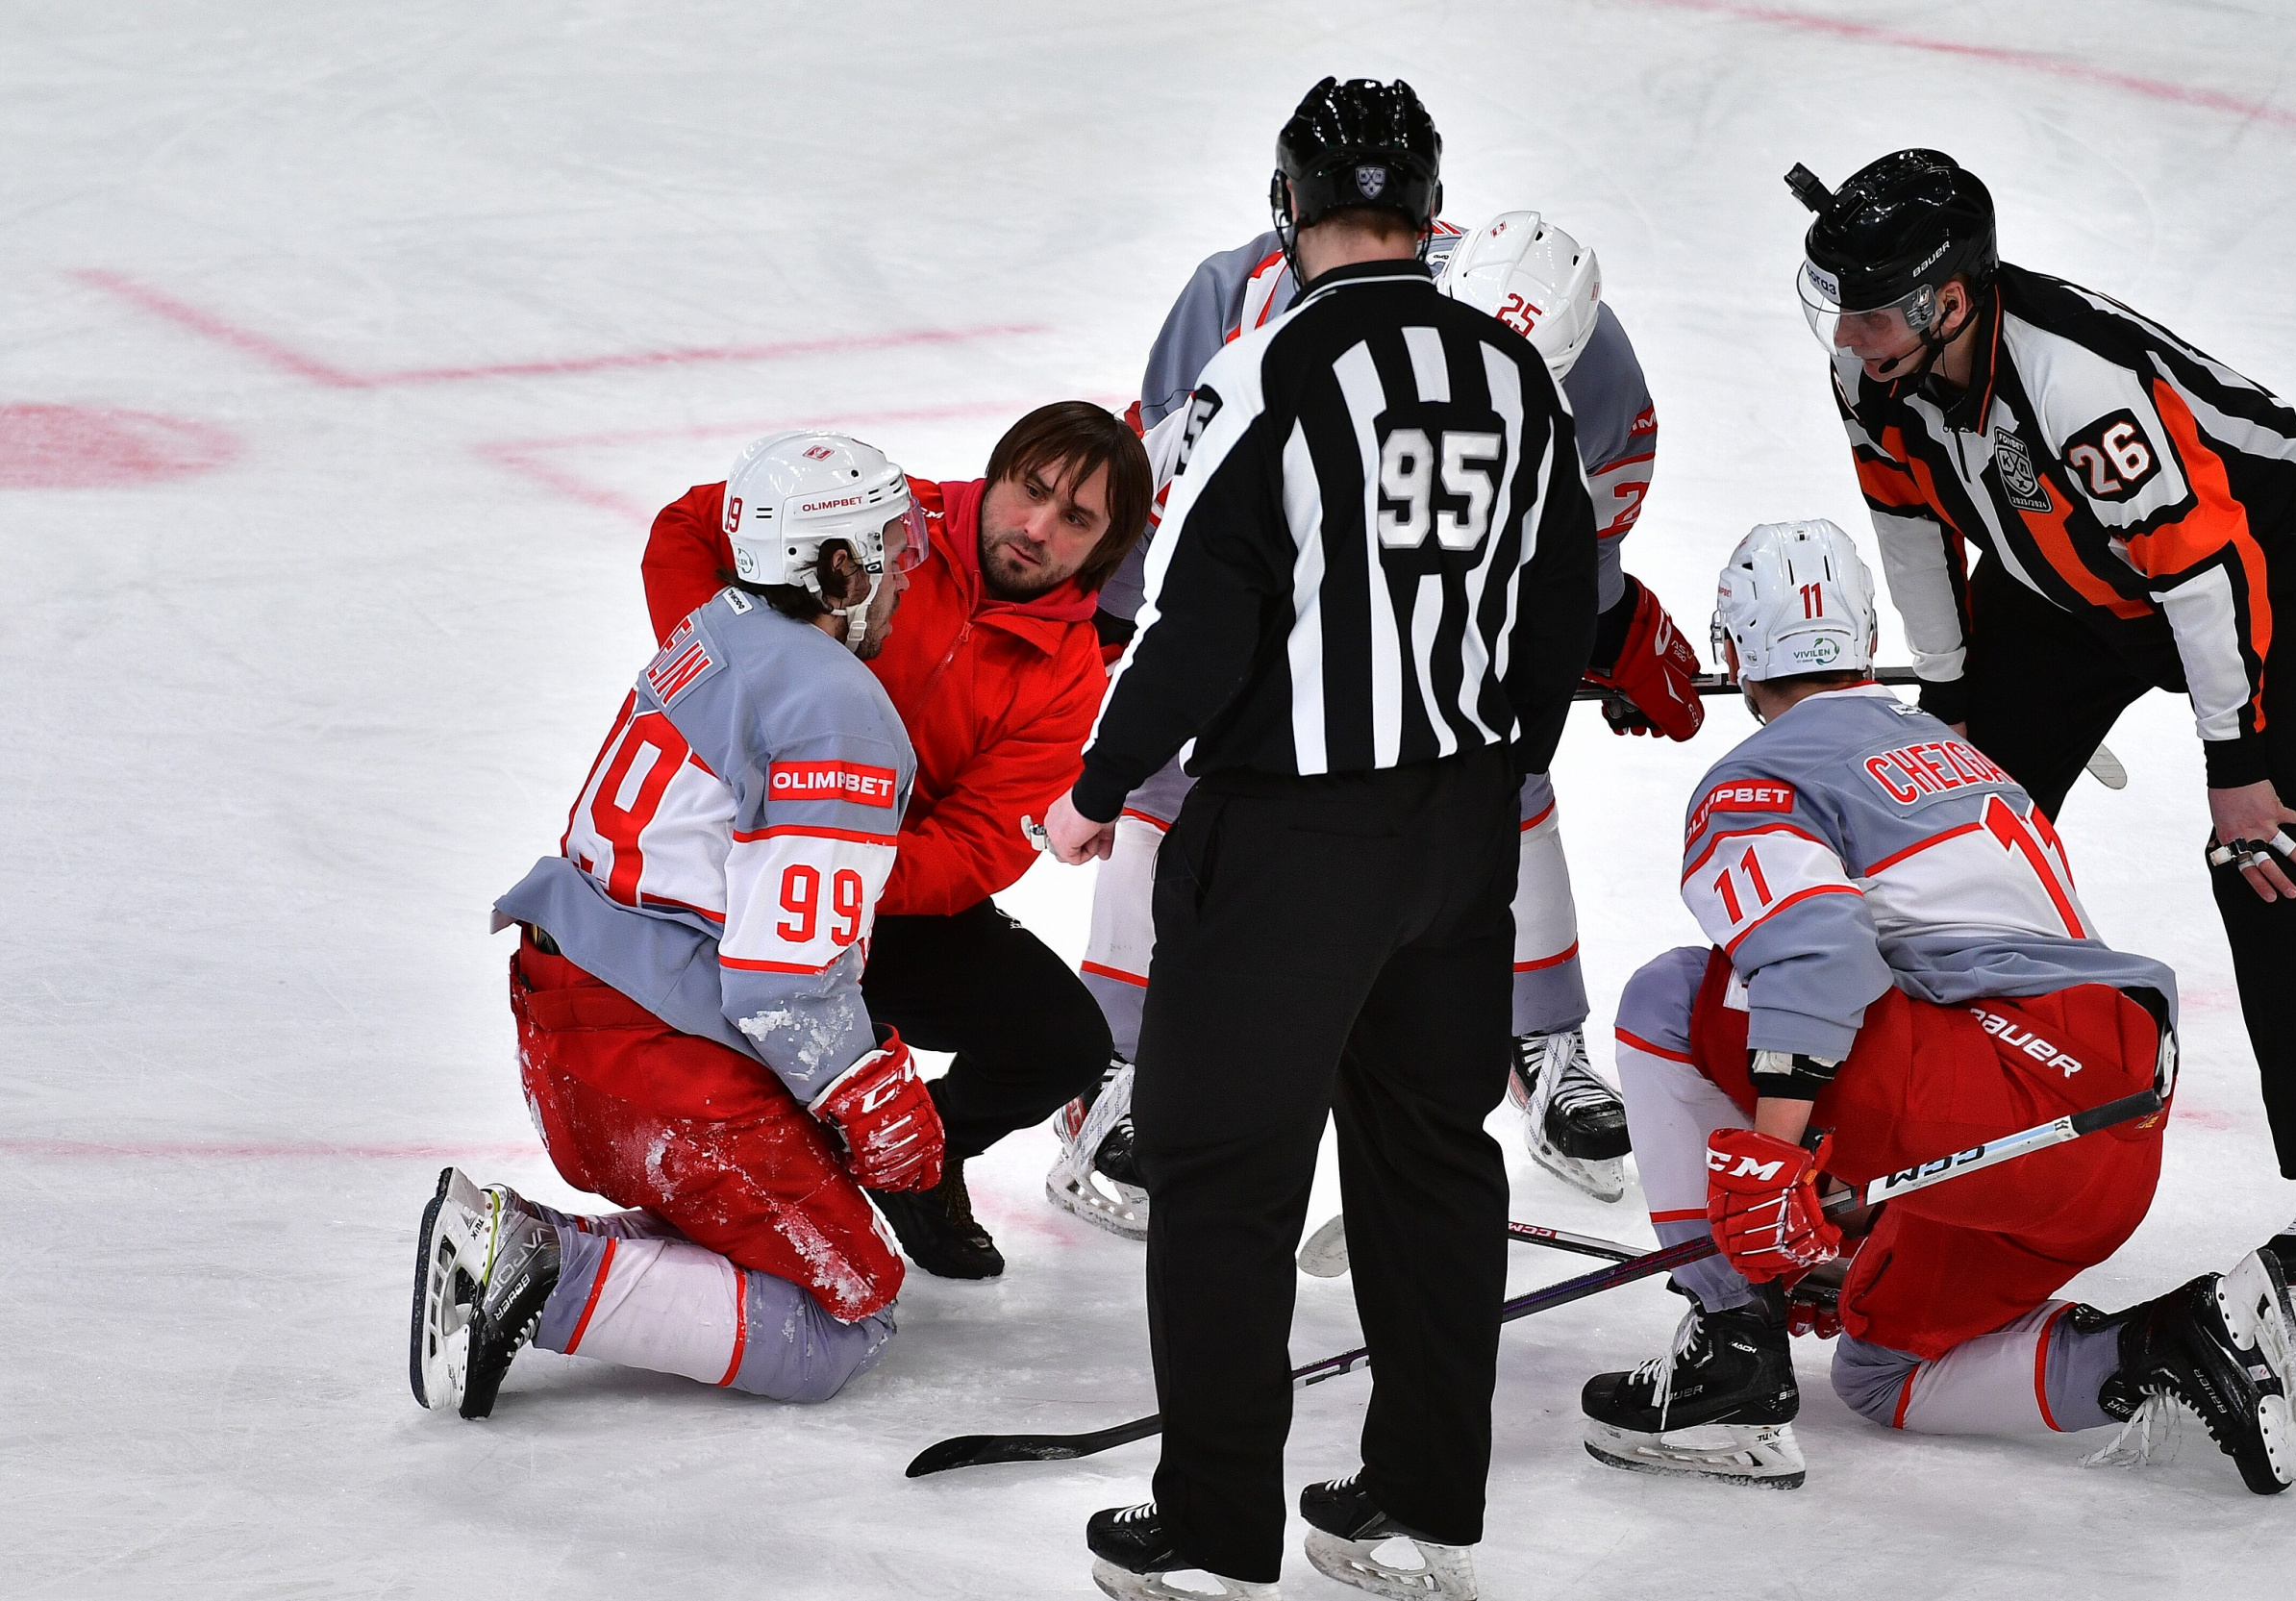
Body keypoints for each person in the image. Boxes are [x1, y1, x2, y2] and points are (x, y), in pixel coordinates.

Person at [1042, 78, 1597, 1601]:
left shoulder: (1269, 359)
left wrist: (1102, 784)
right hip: (1461, 837)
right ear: (1431, 209)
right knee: (1430, 1168)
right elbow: (1561, 617)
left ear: (1289, 208)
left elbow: (1203, 607)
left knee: (1227, 1178)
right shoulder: (1517, 373)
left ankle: (1220, 1529)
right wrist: (1485, 785)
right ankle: (1415, 1506)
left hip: (1291, 836)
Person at [1788, 148, 2296, 1330]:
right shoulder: (1873, 371)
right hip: (2059, 585)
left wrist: (2239, 767)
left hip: (2256, 568)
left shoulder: (2079, 381)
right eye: (1840, 309)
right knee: (1943, 826)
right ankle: (1930, 1139)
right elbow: (1910, 528)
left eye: (1869, 312)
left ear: (1949, 300)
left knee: (2277, 855)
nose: (1847, 337)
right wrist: (1951, 698)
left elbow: (2204, 571)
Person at [1585, 517, 2296, 1497]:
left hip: (2006, 1083)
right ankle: (2164, 1342)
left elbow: (1817, 952)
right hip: (2112, 1130)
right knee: (1883, 1370)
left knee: (1671, 995)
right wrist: (1840, 1222)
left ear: (1733, 653)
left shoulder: (1761, 774)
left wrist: (1769, 1178)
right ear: (1860, 639)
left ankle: (1728, 1345)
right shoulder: (1958, 754)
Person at [1052, 207, 1702, 1237]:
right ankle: (1116, 1062)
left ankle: (1536, 1041)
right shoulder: (1251, 302)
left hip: (1434, 578)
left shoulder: (1602, 384)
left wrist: (1603, 620)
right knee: (1172, 769)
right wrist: (1104, 640)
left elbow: (1559, 558)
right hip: (1280, 542)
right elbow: (1163, 504)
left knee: (1495, 769)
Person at [411, 433, 943, 1417]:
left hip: (570, 1021)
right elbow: (784, 980)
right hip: (650, 1061)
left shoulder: (720, 627)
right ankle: (542, 1271)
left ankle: (522, 1248)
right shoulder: (836, 706)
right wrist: (866, 1091)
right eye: (886, 548)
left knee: (790, 1223)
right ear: (835, 567)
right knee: (846, 1312)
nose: (903, 575)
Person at [641, 401, 1150, 1278]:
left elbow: (979, 845)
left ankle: (917, 1155)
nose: (1036, 527)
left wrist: (834, 863)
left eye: (1076, 519)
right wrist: (730, 685)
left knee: (1064, 1039)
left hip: (871, 891)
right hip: (719, 862)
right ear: (995, 474)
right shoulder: (876, 515)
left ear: (1105, 550)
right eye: (1030, 489)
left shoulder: (1066, 677)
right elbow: (689, 525)